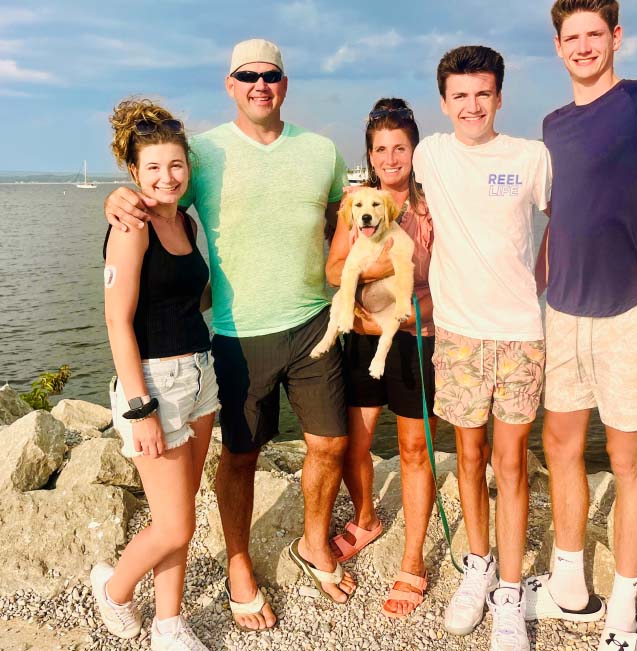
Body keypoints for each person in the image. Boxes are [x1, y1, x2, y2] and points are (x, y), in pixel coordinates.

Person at [104, 40, 355, 629]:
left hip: (313, 322)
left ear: (284, 83)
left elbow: (348, 213)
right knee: (241, 456)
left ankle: (314, 543)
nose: (260, 83)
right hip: (236, 336)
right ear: (231, 83)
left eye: (270, 75)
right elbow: (154, 201)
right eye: (248, 75)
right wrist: (118, 198)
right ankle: (238, 563)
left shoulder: (322, 151)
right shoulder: (204, 153)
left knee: (330, 444)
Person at [527, 0, 637, 651]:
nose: (582, 46)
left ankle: (623, 606)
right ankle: (571, 581)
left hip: (631, 311)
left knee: (630, 459)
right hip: (562, 312)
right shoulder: (551, 125)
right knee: (561, 445)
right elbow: (560, 222)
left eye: (593, 34)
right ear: (557, 47)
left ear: (616, 36)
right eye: (571, 37)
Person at [411, 45, 551, 651]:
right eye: (459, 96)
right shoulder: (430, 153)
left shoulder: (531, 157)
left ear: (499, 97)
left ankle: (511, 592)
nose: (472, 105)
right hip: (459, 335)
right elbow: (387, 189)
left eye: (483, 93)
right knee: (468, 458)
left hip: (521, 333)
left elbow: (575, 221)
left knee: (512, 463)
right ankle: (478, 562)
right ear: (444, 102)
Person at [94, 98, 218, 651]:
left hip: (200, 375)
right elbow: (118, 322)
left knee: (183, 515)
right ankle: (116, 591)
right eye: (153, 168)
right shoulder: (131, 226)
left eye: (176, 166)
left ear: (187, 167)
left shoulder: (185, 221)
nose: (167, 177)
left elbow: (196, 298)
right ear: (134, 172)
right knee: (173, 526)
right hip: (155, 386)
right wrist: (139, 408)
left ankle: (168, 623)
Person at [325, 98, 436, 618]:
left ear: (414, 149)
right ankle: (366, 516)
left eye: (400, 147)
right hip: (365, 335)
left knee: (414, 449)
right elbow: (333, 273)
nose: (391, 158)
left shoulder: (432, 204)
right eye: (380, 149)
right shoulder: (357, 204)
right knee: (355, 441)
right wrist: (371, 277)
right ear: (369, 156)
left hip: (419, 336)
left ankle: (413, 560)